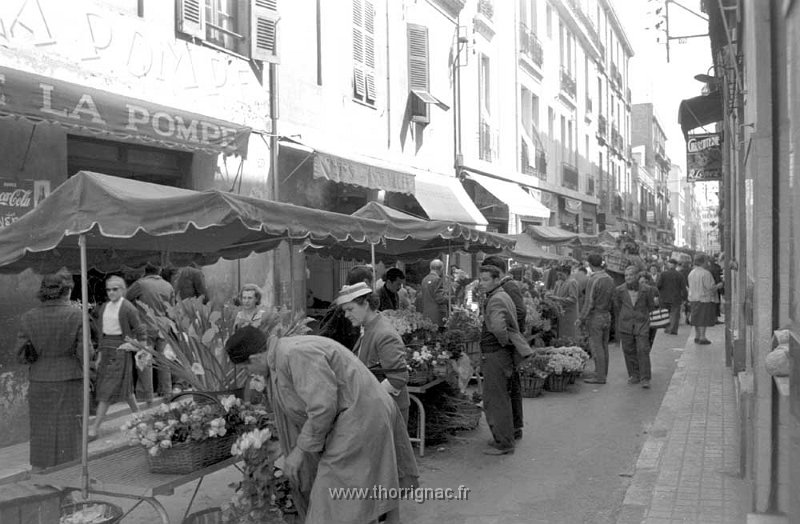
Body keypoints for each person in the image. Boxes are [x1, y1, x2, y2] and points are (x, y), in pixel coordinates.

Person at [236, 335, 418, 524]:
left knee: (331, 499)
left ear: (254, 358)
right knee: (357, 494)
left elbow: (321, 406)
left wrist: (299, 451)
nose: (250, 374)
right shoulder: (282, 354)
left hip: (360, 416)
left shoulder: (294, 353)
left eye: (245, 369)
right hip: (358, 413)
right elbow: (302, 407)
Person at [15, 269, 83, 470]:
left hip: (40, 379)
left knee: (41, 428)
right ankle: (67, 475)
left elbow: (21, 355)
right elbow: (84, 353)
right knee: (69, 429)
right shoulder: (76, 315)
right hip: (70, 378)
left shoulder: (28, 317)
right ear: (67, 291)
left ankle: (40, 473)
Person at [479, 264, 532, 455]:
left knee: (496, 399)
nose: (482, 283)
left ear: (496, 279)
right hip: (500, 354)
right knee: (502, 395)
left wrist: (502, 342)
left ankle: (504, 442)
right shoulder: (502, 295)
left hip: (495, 353)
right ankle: (506, 436)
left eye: (485, 280)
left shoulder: (495, 300)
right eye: (481, 279)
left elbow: (498, 328)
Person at [337, 282, 410, 421]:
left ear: (365, 304)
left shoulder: (384, 333)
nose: (346, 315)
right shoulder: (370, 326)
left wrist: (366, 398)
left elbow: (398, 378)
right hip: (378, 408)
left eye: (350, 309)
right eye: (345, 310)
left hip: (386, 410)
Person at [90, 275, 146, 440]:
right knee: (125, 388)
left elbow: (140, 329)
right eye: (108, 289)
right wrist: (99, 354)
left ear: (122, 290)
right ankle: (139, 416)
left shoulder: (128, 308)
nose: (111, 292)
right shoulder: (105, 307)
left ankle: (95, 427)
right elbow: (101, 333)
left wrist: (141, 349)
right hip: (106, 349)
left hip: (121, 350)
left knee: (107, 389)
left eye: (115, 289)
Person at [126, 262, 176, 400]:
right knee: (164, 360)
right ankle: (166, 391)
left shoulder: (140, 284)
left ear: (145, 270)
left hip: (145, 325)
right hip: (164, 327)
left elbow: (125, 299)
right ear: (159, 270)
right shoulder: (168, 286)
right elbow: (172, 309)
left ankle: (145, 394)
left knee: (144, 359)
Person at [613, 268, 659, 388]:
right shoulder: (619, 290)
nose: (628, 277)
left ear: (637, 276)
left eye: (631, 275)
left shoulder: (647, 290)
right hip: (626, 324)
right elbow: (617, 306)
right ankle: (634, 375)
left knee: (643, 349)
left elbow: (651, 306)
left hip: (642, 323)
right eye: (626, 275)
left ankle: (645, 378)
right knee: (628, 350)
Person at [578, 254, 615, 385]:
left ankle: (599, 376)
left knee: (596, 346)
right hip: (607, 315)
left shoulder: (593, 280)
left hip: (596, 316)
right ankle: (602, 373)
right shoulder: (609, 278)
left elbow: (589, 302)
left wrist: (581, 318)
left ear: (590, 264)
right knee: (604, 346)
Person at [318, 265, 373, 349]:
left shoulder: (361, 303)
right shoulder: (339, 306)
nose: (347, 314)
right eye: (371, 283)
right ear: (366, 282)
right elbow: (324, 335)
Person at [688, 254, 721, 345]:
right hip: (704, 299)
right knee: (703, 318)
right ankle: (702, 337)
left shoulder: (692, 273)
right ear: (703, 262)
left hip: (693, 298)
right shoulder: (705, 273)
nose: (708, 263)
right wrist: (719, 286)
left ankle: (697, 335)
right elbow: (710, 287)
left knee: (696, 318)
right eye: (706, 261)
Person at [656, 259, 688, 335]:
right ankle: (673, 330)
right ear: (676, 265)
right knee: (674, 314)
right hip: (676, 298)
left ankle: (667, 328)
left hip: (664, 297)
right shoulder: (680, 275)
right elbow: (683, 288)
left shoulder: (663, 274)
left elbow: (658, 285)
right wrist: (685, 298)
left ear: (668, 265)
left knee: (666, 314)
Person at [551, 265, 580, 340]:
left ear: (567, 273)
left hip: (569, 314)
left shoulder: (572, 282)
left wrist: (557, 298)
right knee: (563, 335)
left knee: (569, 336)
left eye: (561, 274)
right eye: (558, 275)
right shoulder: (560, 282)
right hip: (562, 313)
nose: (559, 277)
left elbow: (573, 299)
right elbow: (558, 294)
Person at [418, 259, 448, 327]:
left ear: (430, 268)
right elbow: (440, 299)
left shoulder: (424, 279)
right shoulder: (437, 280)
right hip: (437, 315)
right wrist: (449, 297)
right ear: (441, 269)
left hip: (426, 313)